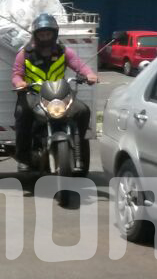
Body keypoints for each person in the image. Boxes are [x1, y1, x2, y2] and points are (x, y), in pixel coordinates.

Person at [12, 13, 98, 173]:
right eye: (41, 34)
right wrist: (20, 83)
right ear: (36, 35)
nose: (45, 37)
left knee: (83, 111)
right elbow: (17, 74)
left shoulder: (64, 51)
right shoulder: (25, 53)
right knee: (22, 113)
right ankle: (23, 158)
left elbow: (78, 65)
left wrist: (89, 74)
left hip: (59, 95)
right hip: (33, 95)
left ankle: (78, 142)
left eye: (48, 34)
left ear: (54, 34)